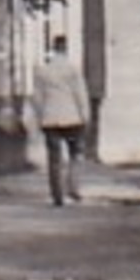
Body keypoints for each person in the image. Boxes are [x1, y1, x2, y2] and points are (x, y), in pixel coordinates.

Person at [32, 36, 91, 206]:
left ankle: (56, 194)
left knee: (54, 158)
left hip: (50, 119)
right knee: (75, 154)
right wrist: (85, 115)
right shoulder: (73, 70)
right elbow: (80, 94)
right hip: (72, 118)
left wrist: (39, 117)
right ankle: (73, 187)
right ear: (65, 49)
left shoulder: (43, 71)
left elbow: (38, 98)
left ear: (53, 48)